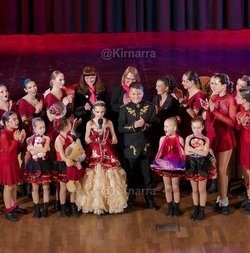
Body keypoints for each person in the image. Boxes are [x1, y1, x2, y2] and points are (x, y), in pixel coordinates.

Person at [77, 102, 127, 214]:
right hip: (95, 152)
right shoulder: (90, 123)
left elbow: (115, 140)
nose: (100, 114)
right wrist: (95, 135)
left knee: (111, 176)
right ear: (93, 111)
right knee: (95, 178)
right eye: (97, 112)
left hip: (107, 151)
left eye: (102, 112)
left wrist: (107, 141)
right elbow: (86, 140)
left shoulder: (109, 122)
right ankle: (96, 205)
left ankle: (110, 204)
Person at [118, 82, 159, 210]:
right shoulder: (124, 109)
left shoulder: (150, 107)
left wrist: (145, 125)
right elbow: (120, 128)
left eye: (139, 94)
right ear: (129, 94)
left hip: (145, 147)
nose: (136, 96)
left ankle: (150, 200)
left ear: (143, 93)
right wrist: (134, 126)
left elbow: (155, 126)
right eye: (133, 94)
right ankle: (131, 199)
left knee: (147, 176)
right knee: (130, 175)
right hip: (130, 148)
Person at [200, 73, 237, 215]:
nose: (212, 86)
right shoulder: (213, 97)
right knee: (219, 171)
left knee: (221, 171)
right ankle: (221, 199)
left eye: (215, 83)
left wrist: (214, 111)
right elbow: (209, 120)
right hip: (215, 137)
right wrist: (207, 109)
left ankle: (224, 200)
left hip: (225, 138)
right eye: (212, 83)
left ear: (224, 85)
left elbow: (232, 122)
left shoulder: (230, 100)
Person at [0, 111, 27, 222]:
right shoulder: (4, 134)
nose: (16, 121)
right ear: (6, 123)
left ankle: (14, 206)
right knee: (8, 186)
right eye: (13, 120)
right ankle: (8, 209)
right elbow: (8, 151)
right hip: (6, 163)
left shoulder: (14, 131)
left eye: (16, 118)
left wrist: (21, 140)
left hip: (13, 161)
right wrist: (16, 140)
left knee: (14, 185)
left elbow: (17, 149)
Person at [152, 116, 185, 217]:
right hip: (165, 165)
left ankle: (176, 208)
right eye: (164, 126)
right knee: (167, 187)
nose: (165, 128)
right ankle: (170, 207)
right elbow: (159, 152)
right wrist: (156, 162)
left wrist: (183, 164)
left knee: (175, 187)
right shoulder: (162, 139)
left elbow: (182, 154)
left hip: (175, 165)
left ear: (174, 128)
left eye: (167, 126)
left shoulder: (179, 139)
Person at [184, 116, 214, 221]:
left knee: (202, 189)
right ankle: (195, 209)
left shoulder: (206, 139)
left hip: (202, 166)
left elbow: (205, 153)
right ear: (191, 127)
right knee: (195, 190)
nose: (196, 130)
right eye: (194, 128)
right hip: (192, 165)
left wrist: (193, 149)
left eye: (198, 128)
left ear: (202, 127)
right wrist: (198, 149)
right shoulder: (188, 138)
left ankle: (201, 210)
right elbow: (186, 152)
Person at [55, 118, 85, 217]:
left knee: (73, 185)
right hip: (63, 165)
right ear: (66, 127)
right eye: (69, 123)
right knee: (63, 187)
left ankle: (73, 205)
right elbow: (63, 156)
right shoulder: (59, 139)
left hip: (72, 163)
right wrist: (73, 163)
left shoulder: (70, 136)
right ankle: (63, 207)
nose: (70, 124)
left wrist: (77, 161)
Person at [25, 117, 53, 218]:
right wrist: (35, 149)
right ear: (34, 128)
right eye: (40, 128)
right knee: (35, 187)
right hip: (34, 164)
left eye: (44, 127)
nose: (43, 129)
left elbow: (45, 150)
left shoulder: (47, 138)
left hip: (44, 164)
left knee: (46, 187)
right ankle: (36, 208)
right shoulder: (29, 139)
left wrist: (32, 147)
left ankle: (45, 208)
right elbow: (32, 153)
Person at [72, 66, 107, 141]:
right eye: (87, 78)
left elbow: (108, 107)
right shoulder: (79, 90)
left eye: (92, 78)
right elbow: (75, 111)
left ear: (96, 76)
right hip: (85, 124)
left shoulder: (102, 89)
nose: (89, 80)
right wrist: (84, 108)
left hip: (100, 123)